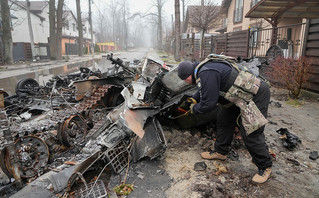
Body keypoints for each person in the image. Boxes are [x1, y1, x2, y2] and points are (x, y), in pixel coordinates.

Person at [177, 55, 272, 184]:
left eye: (185, 80)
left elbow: (208, 103)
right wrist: (193, 99)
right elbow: (204, 90)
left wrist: (194, 109)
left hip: (255, 94)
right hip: (237, 95)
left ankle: (265, 166)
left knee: (251, 132)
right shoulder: (202, 70)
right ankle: (221, 152)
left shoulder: (206, 72)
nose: (186, 82)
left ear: (188, 75)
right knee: (224, 119)